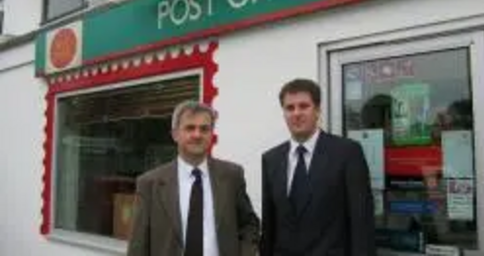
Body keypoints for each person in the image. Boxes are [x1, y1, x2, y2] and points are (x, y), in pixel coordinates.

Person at [127, 101, 260, 256]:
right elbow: (138, 244)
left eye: (204, 129)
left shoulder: (232, 176)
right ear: (175, 134)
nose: (197, 135)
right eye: (190, 128)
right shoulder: (150, 183)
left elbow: (249, 225)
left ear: (211, 134)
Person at [261, 78, 376, 256]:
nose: (296, 113)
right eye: (289, 108)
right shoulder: (271, 159)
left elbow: (362, 223)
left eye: (304, 106)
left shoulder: (347, 153)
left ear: (317, 110)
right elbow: (270, 226)